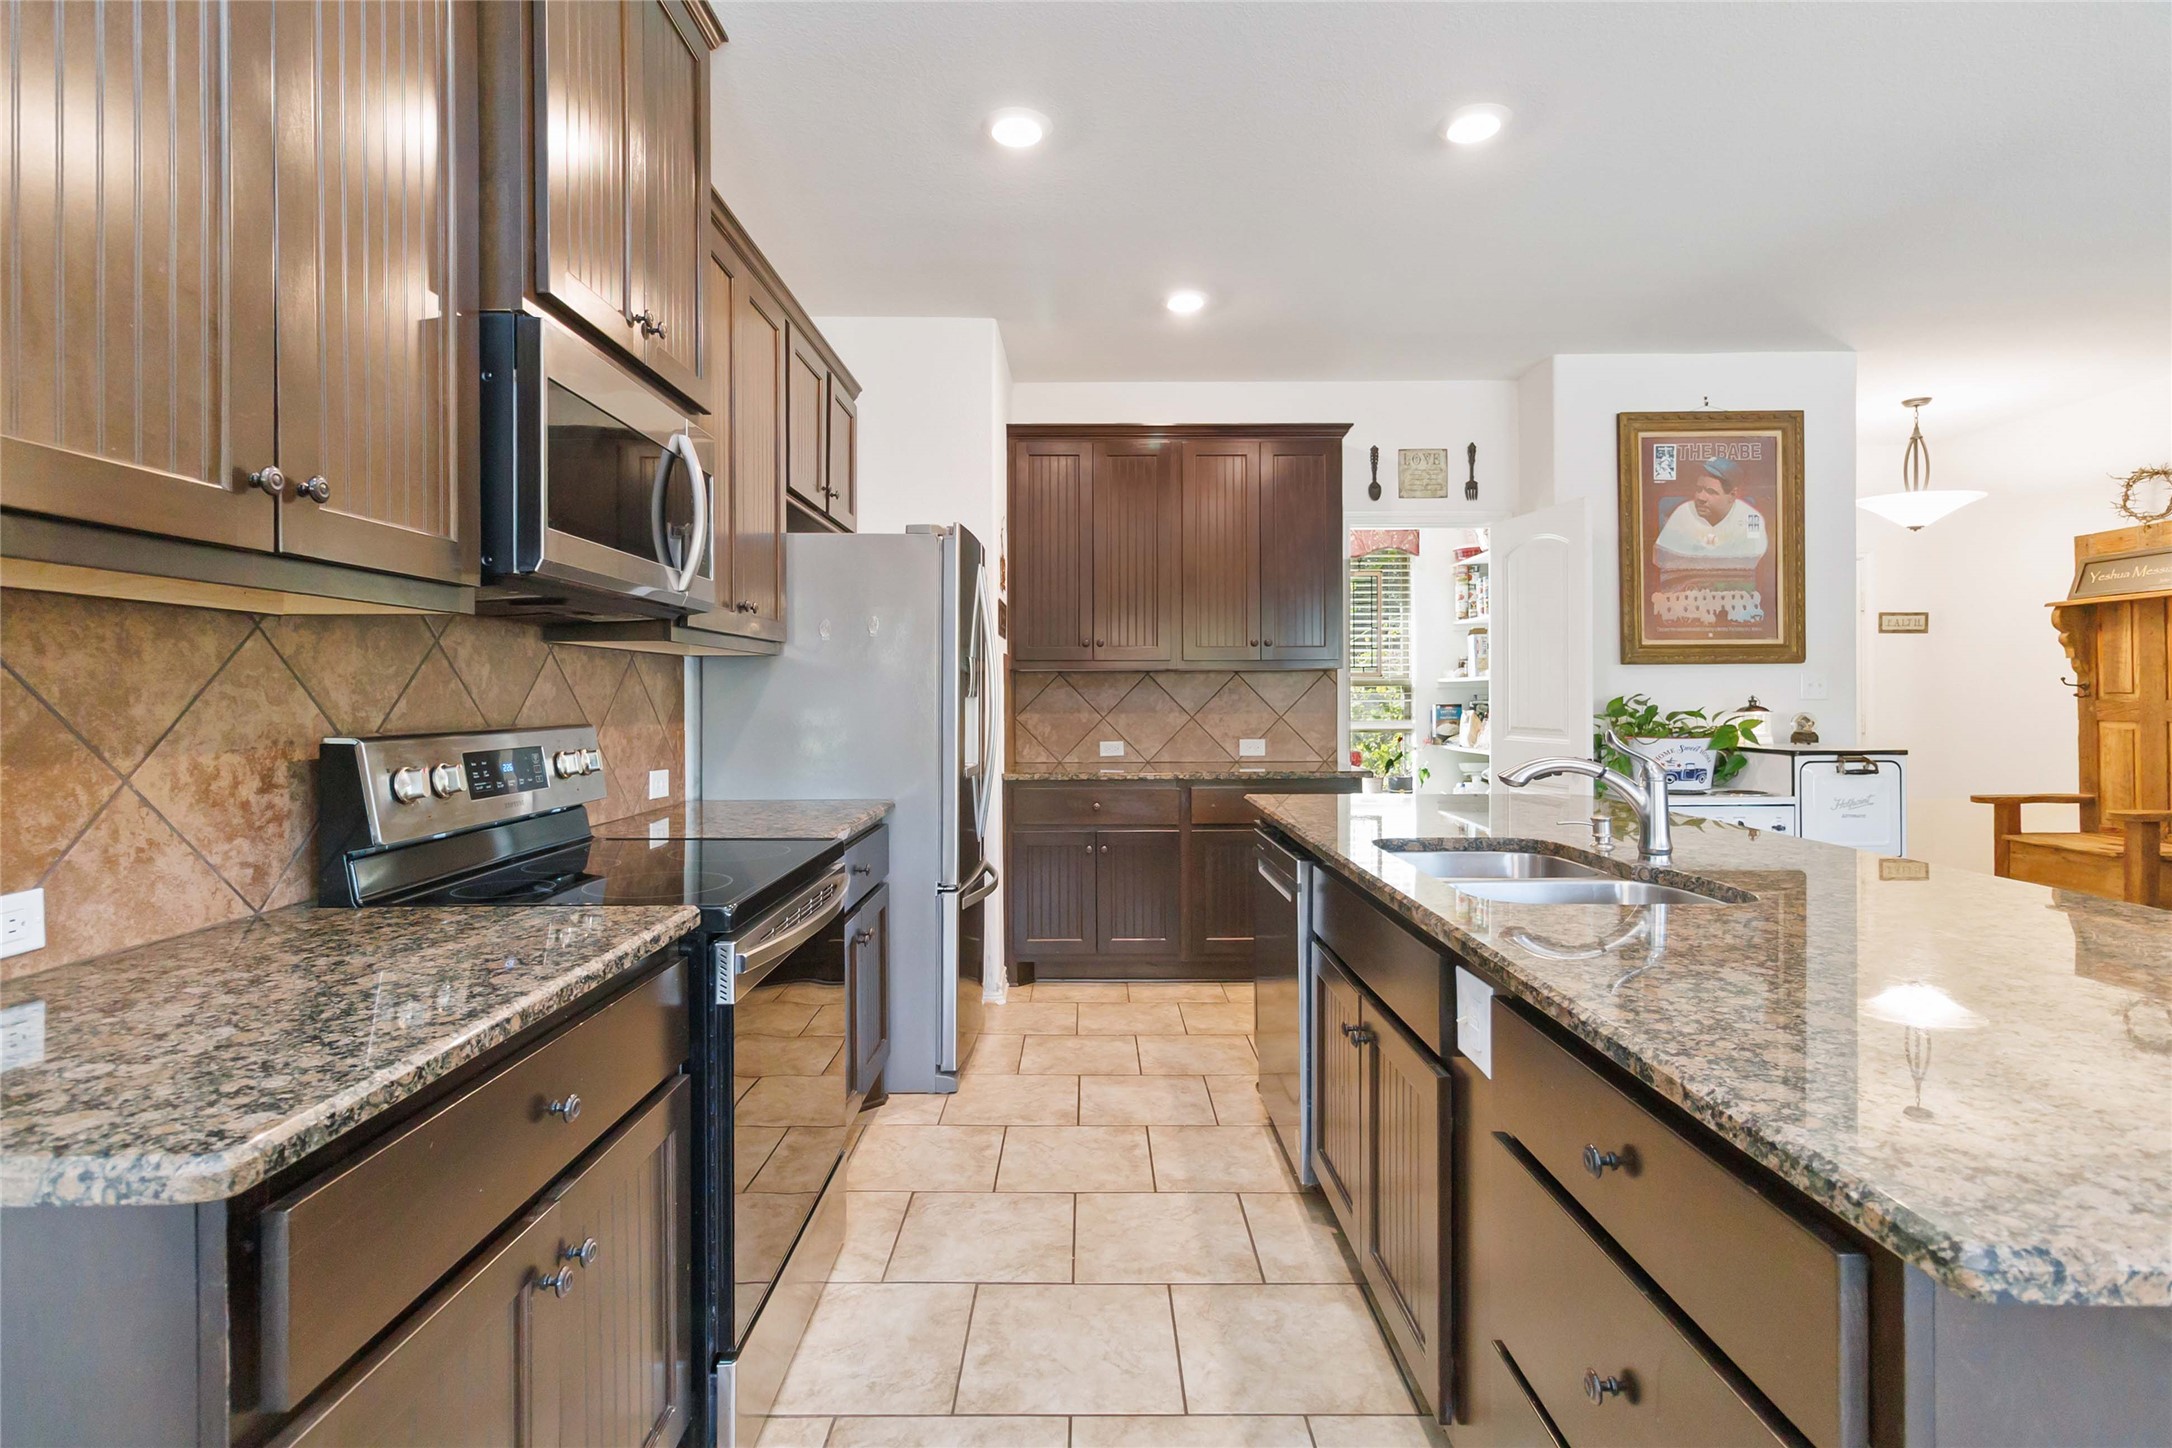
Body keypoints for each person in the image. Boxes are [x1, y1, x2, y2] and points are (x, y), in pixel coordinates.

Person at [1653, 455, 1767, 572]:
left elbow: (1751, 561)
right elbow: (1661, 559)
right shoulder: (1683, 513)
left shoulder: (1752, 519)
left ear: (1732, 495)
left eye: (1710, 492)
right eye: (1698, 489)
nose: (1700, 497)